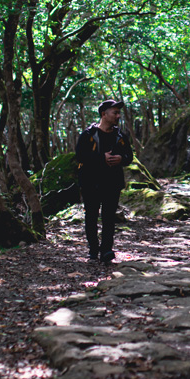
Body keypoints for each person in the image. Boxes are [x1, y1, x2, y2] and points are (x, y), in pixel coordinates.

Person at [75, 99, 133, 264]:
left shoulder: (120, 136)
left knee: (109, 217)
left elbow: (129, 156)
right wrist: (101, 158)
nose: (118, 116)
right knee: (91, 216)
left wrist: (121, 158)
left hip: (112, 182)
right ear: (103, 114)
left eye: (118, 112)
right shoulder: (88, 135)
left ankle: (106, 250)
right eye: (115, 112)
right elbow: (80, 156)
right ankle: (93, 250)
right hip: (90, 182)